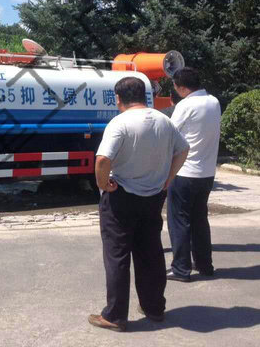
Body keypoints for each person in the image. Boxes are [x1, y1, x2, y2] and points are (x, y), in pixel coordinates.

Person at [88, 77, 189, 332]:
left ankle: (115, 315)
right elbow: (183, 149)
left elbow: (102, 160)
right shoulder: (164, 121)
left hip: (121, 197)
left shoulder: (120, 122)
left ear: (118, 98)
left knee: (117, 255)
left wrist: (103, 184)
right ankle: (154, 308)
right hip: (153, 196)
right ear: (144, 96)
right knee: (150, 252)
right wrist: (168, 178)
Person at [166, 67, 221, 282]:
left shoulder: (185, 105)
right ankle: (205, 265)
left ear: (181, 87)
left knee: (179, 221)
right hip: (206, 173)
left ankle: (181, 269)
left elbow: (170, 134)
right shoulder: (214, 102)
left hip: (184, 172)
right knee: (200, 220)